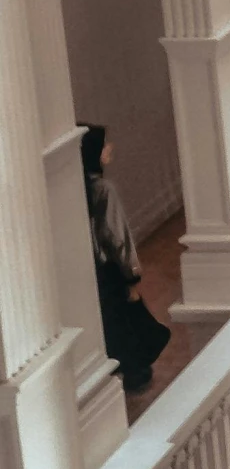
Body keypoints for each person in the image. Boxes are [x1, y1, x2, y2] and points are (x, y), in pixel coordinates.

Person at [82, 123, 172, 392]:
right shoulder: (102, 189)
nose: (110, 148)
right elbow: (116, 234)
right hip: (109, 269)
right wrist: (131, 274)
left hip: (90, 270)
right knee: (126, 320)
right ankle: (135, 371)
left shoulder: (76, 190)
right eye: (104, 145)